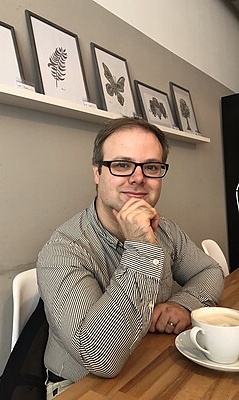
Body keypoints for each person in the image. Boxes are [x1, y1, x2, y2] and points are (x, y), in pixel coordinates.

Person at [37, 117, 224, 397]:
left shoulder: (167, 230)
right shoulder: (63, 250)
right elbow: (100, 358)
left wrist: (182, 304)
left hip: (149, 360)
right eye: (122, 165)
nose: (138, 178)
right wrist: (140, 246)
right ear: (97, 173)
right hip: (81, 386)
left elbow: (209, 271)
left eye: (151, 167)